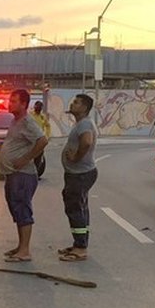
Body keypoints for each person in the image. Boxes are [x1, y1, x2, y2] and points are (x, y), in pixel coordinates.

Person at [0, 89, 48, 263]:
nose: (9, 103)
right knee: (16, 210)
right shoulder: (15, 121)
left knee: (23, 209)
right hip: (13, 174)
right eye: (9, 100)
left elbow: (42, 141)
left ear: (24, 104)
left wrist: (25, 159)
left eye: (13, 101)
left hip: (23, 174)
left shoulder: (28, 122)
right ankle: (20, 247)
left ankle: (25, 251)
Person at [59, 94, 98, 262]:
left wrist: (75, 157)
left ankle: (80, 248)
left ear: (84, 107)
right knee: (80, 208)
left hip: (80, 174)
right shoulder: (82, 124)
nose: (72, 104)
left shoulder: (85, 124)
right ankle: (79, 243)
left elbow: (87, 142)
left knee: (75, 209)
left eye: (76, 102)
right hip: (79, 173)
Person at [31, 101, 51, 177]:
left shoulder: (42, 117)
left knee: (38, 157)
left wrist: (47, 136)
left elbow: (48, 126)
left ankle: (36, 173)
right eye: (37, 106)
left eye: (40, 107)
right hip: (31, 140)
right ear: (35, 106)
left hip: (39, 140)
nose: (38, 108)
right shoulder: (30, 115)